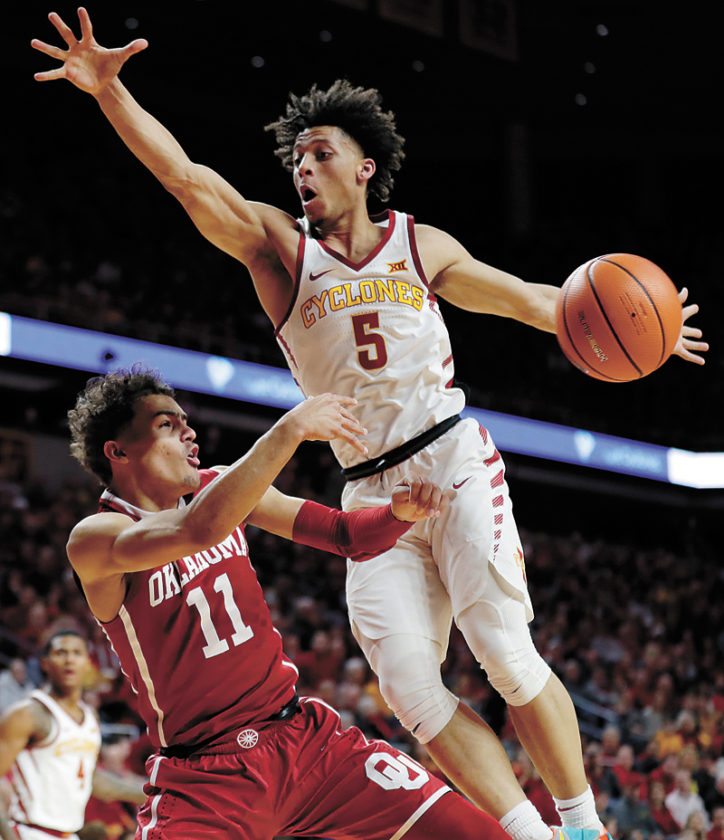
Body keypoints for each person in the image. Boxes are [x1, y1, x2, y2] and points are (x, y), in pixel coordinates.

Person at [31, 9, 709, 840]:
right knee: (412, 693)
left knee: (501, 648)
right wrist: (111, 92)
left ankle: (581, 826)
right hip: (369, 488)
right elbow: (188, 180)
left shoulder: (423, 247)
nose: (302, 168)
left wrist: (651, 332)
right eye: (295, 159)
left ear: (365, 167)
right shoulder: (280, 251)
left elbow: (541, 302)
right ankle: (532, 838)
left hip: (451, 457)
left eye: (319, 153)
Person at [62, 365, 509, 839]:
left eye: (186, 422)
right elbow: (197, 530)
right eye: (167, 425)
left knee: (476, 835)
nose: (189, 433)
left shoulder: (221, 489)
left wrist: (397, 516)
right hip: (207, 778)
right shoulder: (96, 538)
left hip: (305, 742)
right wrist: (290, 429)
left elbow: (345, 534)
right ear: (118, 451)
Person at [0, 630, 145, 840]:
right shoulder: (27, 714)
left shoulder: (90, 717)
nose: (69, 660)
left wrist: (148, 792)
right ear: (45, 663)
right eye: (61, 653)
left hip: (68, 835)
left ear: (87, 663)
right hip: (28, 831)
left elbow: (91, 779)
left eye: (77, 653)